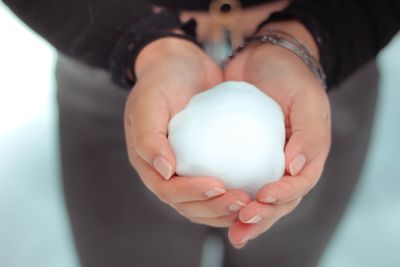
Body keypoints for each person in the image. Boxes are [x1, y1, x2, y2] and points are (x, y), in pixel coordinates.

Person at [3, 0, 399, 266]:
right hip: (110, 54)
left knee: (281, 254)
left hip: (318, 76)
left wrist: (310, 38)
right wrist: (146, 45)